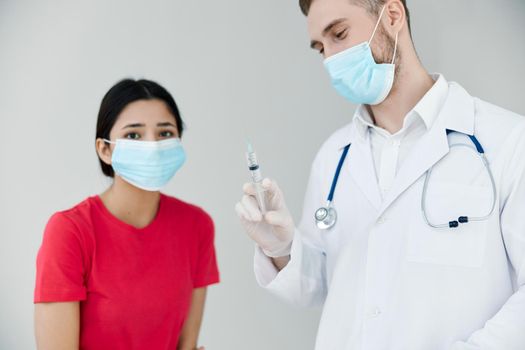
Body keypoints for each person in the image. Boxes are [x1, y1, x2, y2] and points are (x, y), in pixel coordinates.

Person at [235, 0, 525, 349]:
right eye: (320, 49)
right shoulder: (334, 156)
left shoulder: (507, 141)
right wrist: (281, 247)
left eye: (339, 35)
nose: (330, 60)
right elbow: (317, 286)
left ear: (391, 16)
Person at [34, 79, 219, 350]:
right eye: (133, 135)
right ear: (105, 149)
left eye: (165, 133)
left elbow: (186, 346)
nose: (153, 146)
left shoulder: (196, 225)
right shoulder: (70, 231)